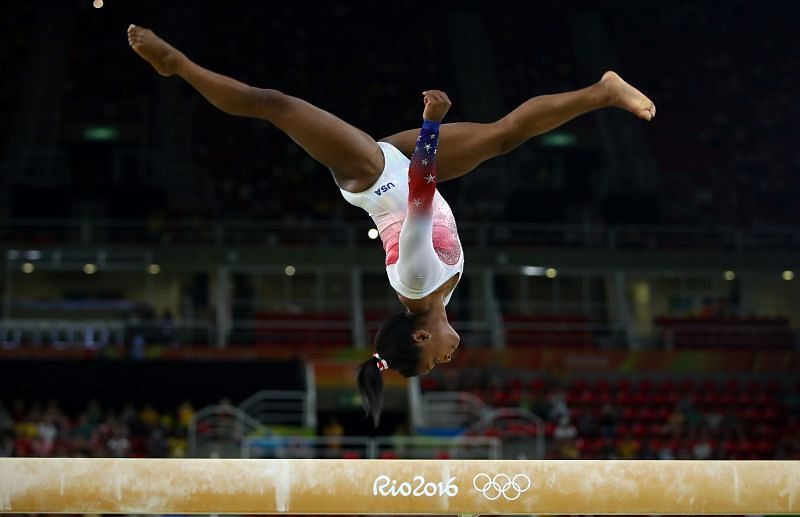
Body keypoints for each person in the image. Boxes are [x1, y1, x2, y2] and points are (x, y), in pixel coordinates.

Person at [127, 25, 656, 425]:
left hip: (375, 175)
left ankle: (179, 65)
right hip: (407, 169)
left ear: (421, 335)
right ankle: (603, 91)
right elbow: (423, 187)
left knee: (276, 106)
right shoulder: (440, 294)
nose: (444, 361)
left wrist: (431, 121)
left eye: (430, 363)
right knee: (502, 135)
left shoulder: (418, 280)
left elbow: (423, 190)